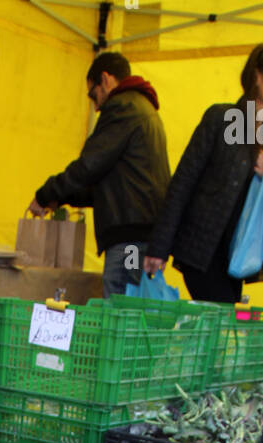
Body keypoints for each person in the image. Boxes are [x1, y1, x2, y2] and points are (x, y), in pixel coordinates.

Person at [144, 40, 263, 303]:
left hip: (238, 254)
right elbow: (183, 181)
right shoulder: (221, 117)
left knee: (220, 330)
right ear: (257, 76)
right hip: (201, 249)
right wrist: (159, 247)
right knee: (221, 321)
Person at [28, 51, 170, 298]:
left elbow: (89, 165)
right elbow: (109, 182)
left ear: (105, 79)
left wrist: (45, 194)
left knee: (120, 315)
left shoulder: (123, 107)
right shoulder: (145, 109)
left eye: (93, 94)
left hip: (129, 239)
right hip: (143, 236)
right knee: (133, 313)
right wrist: (61, 198)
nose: (95, 106)